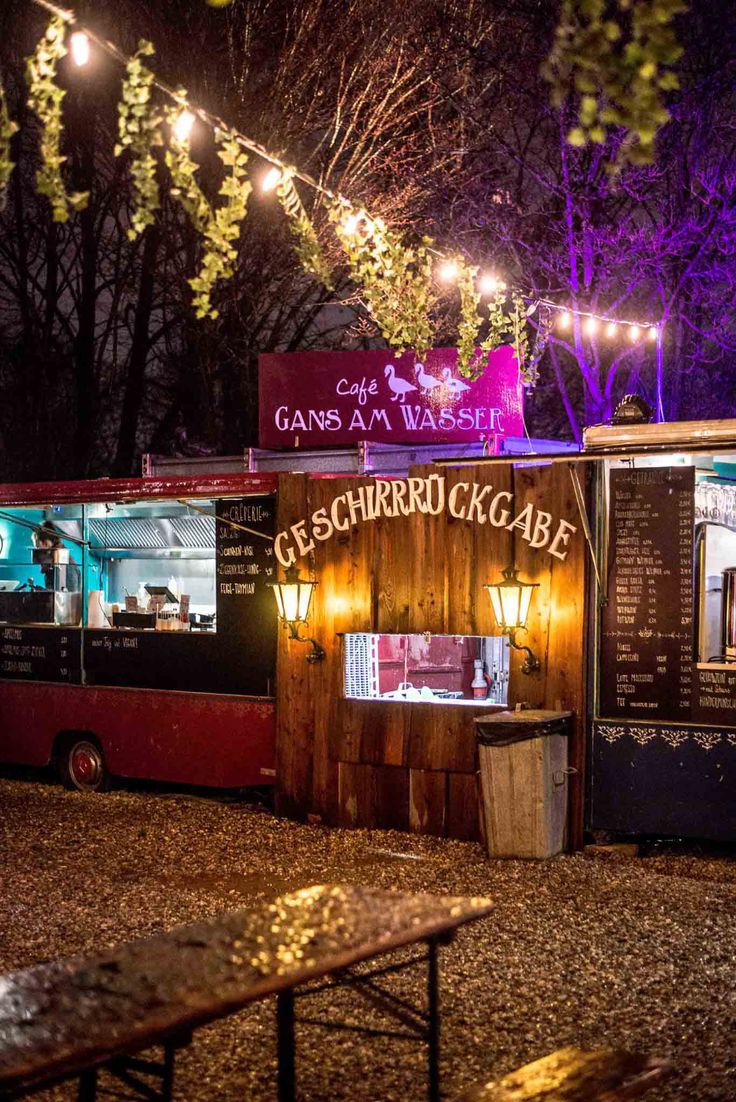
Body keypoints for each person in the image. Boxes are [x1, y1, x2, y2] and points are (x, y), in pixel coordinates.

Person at [32, 522, 81, 592]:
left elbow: (69, 595)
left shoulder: (65, 564)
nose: (36, 550)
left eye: (37, 546)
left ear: (46, 543)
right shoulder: (51, 566)